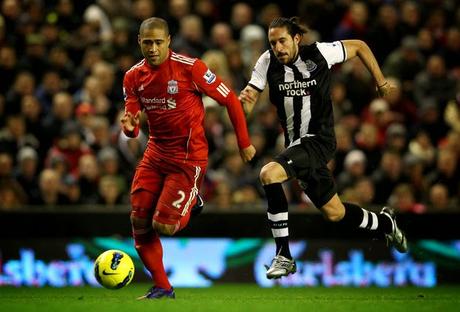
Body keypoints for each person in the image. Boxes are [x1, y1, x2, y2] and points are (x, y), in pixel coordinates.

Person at [239, 17, 407, 280]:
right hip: (296, 145)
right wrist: (243, 105)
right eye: (273, 43)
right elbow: (250, 96)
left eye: (282, 40)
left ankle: (283, 255)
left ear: (296, 38)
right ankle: (386, 223)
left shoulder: (320, 53)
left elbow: (360, 46)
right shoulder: (266, 61)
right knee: (335, 212)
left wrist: (381, 81)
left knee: (269, 174)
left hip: (320, 139)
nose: (278, 47)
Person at [121, 17, 256, 299]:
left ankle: (193, 199)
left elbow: (230, 99)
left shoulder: (190, 68)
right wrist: (130, 128)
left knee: (165, 226)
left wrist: (244, 143)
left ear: (169, 41)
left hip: (187, 158)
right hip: (155, 154)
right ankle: (162, 286)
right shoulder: (133, 76)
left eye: (159, 42)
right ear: (139, 43)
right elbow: (132, 124)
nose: (153, 48)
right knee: (139, 222)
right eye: (147, 42)